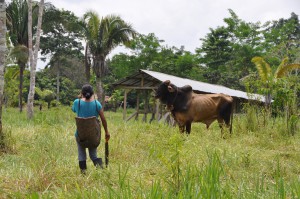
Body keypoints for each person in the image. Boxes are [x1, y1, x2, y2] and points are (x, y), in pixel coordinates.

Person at [72, 84, 110, 174]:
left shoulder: (77, 102)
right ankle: (102, 172)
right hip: (93, 136)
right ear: (93, 93)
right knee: (93, 155)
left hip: (80, 135)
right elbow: (103, 119)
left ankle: (83, 175)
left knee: (81, 155)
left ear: (82, 93)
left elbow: (73, 110)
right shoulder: (97, 104)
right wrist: (107, 132)